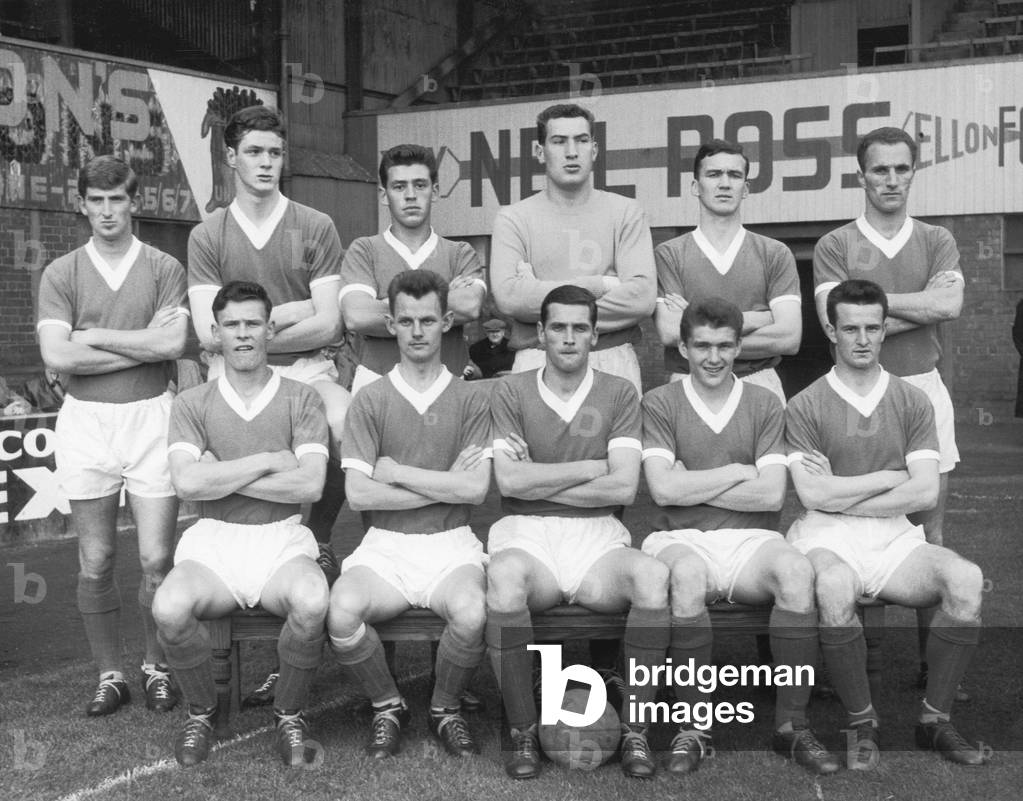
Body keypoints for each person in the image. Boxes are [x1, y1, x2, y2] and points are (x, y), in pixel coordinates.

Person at [786, 279, 985, 768]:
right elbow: (812, 496)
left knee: (966, 579)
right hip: (825, 535)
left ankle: (934, 721)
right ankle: (863, 723)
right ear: (831, 330)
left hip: (895, 536)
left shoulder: (912, 400)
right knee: (834, 585)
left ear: (884, 329)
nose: (862, 339)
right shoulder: (805, 404)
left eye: (872, 328)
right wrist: (888, 478)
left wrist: (843, 491)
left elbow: (924, 492)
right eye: (850, 328)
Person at [641, 297, 837, 776]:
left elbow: (770, 495)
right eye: (702, 346)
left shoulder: (764, 403)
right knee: (686, 576)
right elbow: (664, 492)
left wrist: (693, 482)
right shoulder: (660, 402)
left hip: (750, 540)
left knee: (796, 572)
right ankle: (694, 727)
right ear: (683, 348)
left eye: (724, 346)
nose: (713, 357)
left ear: (738, 347)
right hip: (680, 537)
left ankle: (791, 726)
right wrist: (735, 470)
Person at [486, 285, 669, 780]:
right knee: (504, 578)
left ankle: (635, 729)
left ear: (594, 334)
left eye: (579, 328)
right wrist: (591, 467)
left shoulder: (620, 392)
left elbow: (624, 486)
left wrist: (540, 478)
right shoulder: (510, 390)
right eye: (559, 327)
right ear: (541, 333)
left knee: (652, 578)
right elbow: (510, 483)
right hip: (527, 534)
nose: (569, 338)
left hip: (597, 537)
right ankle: (522, 729)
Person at [813, 127, 965, 693]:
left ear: (914, 172)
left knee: (930, 526)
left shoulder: (937, 239)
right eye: (880, 169)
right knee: (850, 522)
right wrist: (917, 305)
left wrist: (867, 306)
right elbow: (831, 321)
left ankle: (932, 661)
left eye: (902, 168)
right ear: (861, 176)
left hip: (923, 386)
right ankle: (856, 662)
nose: (892, 179)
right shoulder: (834, 244)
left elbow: (949, 304)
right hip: (855, 391)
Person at [152, 281, 329, 768]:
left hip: (281, 538)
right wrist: (270, 460)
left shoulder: (302, 397)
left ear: (270, 329)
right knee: (168, 607)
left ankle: (289, 714)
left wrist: (221, 475)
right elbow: (186, 483)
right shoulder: (192, 402)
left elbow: (310, 484)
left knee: (313, 601)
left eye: (253, 323)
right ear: (215, 333)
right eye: (232, 324)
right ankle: (202, 711)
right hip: (214, 541)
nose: (244, 333)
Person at [36, 155, 189, 717]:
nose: (107, 211)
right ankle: (110, 674)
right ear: (82, 205)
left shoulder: (164, 267)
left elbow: (171, 346)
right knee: (96, 558)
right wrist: (139, 343)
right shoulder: (61, 273)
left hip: (152, 416)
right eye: (96, 201)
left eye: (116, 199)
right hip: (86, 421)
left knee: (155, 558)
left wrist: (94, 336)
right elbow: (58, 355)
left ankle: (156, 667)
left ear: (134, 202)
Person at [328, 270, 491, 759]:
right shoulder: (370, 399)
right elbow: (360, 494)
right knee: (341, 611)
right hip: (386, 547)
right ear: (390, 325)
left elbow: (476, 489)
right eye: (406, 321)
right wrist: (444, 485)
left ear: (447, 322)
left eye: (427, 320)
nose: (417, 331)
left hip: (451, 544)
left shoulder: (470, 397)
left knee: (473, 611)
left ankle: (445, 708)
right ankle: (388, 704)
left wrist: (397, 474)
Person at [186, 104, 349, 582]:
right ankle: (226, 542)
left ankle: (319, 537)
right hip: (233, 375)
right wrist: (295, 311)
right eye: (254, 151)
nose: (266, 162)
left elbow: (330, 326)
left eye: (275, 153)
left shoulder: (315, 225)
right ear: (231, 157)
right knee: (212, 450)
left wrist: (247, 332)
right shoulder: (208, 234)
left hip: (307, 368)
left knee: (344, 423)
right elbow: (207, 334)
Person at [489, 103, 656, 395]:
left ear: (594, 149)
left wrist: (539, 295)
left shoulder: (627, 212)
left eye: (581, 140)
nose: (571, 151)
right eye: (558, 141)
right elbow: (509, 298)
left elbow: (641, 299)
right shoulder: (513, 218)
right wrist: (599, 285)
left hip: (612, 359)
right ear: (540, 151)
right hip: (536, 359)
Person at [653, 139, 801, 403]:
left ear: (746, 188)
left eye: (734, 175)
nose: (724, 183)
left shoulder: (775, 253)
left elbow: (789, 338)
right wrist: (758, 319)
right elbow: (670, 332)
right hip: (688, 383)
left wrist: (695, 323)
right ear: (695, 186)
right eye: (713, 174)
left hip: (758, 382)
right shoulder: (669, 254)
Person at [339, 143, 485, 396]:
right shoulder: (364, 250)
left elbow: (470, 306)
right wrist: (441, 300)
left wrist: (385, 303)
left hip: (449, 386)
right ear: (384, 195)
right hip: (377, 387)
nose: (410, 195)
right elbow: (357, 316)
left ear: (434, 191)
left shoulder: (460, 253)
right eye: (399, 186)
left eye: (419, 185)